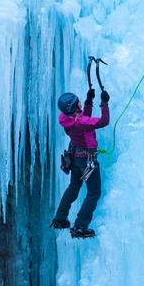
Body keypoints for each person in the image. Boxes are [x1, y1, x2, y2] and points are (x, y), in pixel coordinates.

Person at [51, 88, 110, 238]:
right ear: (73, 106)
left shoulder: (68, 120)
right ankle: (80, 226)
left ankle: (60, 219)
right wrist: (104, 104)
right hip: (87, 161)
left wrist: (88, 102)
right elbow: (104, 121)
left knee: (73, 187)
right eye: (77, 101)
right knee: (93, 192)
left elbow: (84, 120)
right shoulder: (81, 122)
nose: (79, 101)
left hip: (76, 157)